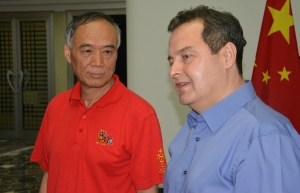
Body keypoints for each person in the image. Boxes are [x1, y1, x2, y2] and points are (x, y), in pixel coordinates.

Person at [164, 5, 300, 193]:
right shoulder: (189, 130)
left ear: (227, 56)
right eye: (171, 61)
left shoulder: (265, 137)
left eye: (186, 56)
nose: (173, 71)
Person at [30, 11, 166, 193]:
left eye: (107, 52)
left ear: (117, 54)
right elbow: (49, 175)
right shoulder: (56, 106)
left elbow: (147, 189)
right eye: (87, 51)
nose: (98, 62)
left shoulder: (140, 114)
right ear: (68, 53)